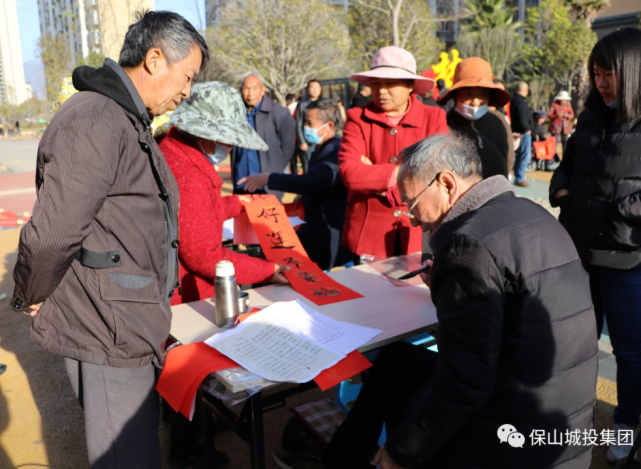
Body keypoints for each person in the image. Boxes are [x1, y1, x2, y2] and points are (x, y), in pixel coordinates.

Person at [276, 133, 597, 469]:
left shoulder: (468, 246)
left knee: (406, 403)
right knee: (397, 360)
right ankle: (340, 460)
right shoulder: (529, 212)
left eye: (411, 204)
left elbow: (464, 384)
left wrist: (401, 452)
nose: (412, 219)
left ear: (446, 184)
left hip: (512, 434)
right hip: (560, 414)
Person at [10, 11, 208, 468]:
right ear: (156, 58)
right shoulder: (99, 118)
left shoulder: (121, 115)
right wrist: (32, 293)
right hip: (108, 326)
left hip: (123, 319)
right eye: (188, 76)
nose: (187, 91)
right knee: (125, 456)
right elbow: (55, 230)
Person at [159, 81, 288, 468]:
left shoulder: (179, 151)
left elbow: (201, 211)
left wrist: (240, 204)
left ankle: (195, 435)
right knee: (182, 372)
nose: (228, 149)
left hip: (176, 284)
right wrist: (268, 270)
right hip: (180, 292)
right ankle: (188, 454)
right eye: (225, 140)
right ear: (207, 133)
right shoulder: (189, 168)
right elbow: (201, 254)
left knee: (182, 377)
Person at [550, 27, 641, 464]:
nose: (602, 82)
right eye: (597, 73)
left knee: (628, 350)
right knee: (578, 345)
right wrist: (562, 192)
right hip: (579, 255)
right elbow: (564, 168)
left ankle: (626, 421)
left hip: (628, 261)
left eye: (611, 74)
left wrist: (620, 210)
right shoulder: (589, 120)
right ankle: (577, 419)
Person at [338, 46, 447, 261]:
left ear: (410, 87)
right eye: (375, 84)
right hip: (369, 230)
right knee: (369, 291)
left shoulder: (434, 118)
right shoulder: (357, 118)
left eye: (390, 84)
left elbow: (436, 175)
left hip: (419, 228)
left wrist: (377, 176)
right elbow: (350, 173)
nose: (381, 91)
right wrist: (409, 174)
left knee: (415, 291)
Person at [238, 99, 351, 271]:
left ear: (329, 126)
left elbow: (313, 181)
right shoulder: (320, 147)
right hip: (315, 226)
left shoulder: (335, 150)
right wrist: (304, 195)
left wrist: (269, 178)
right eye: (305, 122)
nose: (305, 127)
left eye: (310, 123)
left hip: (330, 231)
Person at [435, 57, 511, 179]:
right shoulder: (444, 123)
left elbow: (507, 158)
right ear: (456, 94)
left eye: (483, 94)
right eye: (468, 94)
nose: (475, 102)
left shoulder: (498, 121)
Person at [232, 72, 296, 199]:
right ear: (240, 90)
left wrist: (274, 171)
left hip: (267, 185)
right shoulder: (235, 113)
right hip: (241, 182)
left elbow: (287, 148)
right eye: (246, 88)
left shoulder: (280, 113)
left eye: (255, 88)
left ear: (263, 90)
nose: (250, 93)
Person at [294, 79, 323, 173]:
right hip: (308, 142)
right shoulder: (302, 104)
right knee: (308, 168)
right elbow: (298, 123)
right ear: (307, 89)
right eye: (312, 87)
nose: (315, 90)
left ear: (320, 89)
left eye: (317, 87)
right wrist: (302, 142)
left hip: (321, 141)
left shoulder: (324, 104)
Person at [510, 81, 534, 187]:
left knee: (519, 155)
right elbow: (522, 117)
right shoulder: (521, 102)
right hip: (523, 132)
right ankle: (520, 177)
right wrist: (527, 129)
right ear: (526, 90)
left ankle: (518, 176)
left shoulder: (514, 100)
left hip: (516, 130)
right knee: (524, 155)